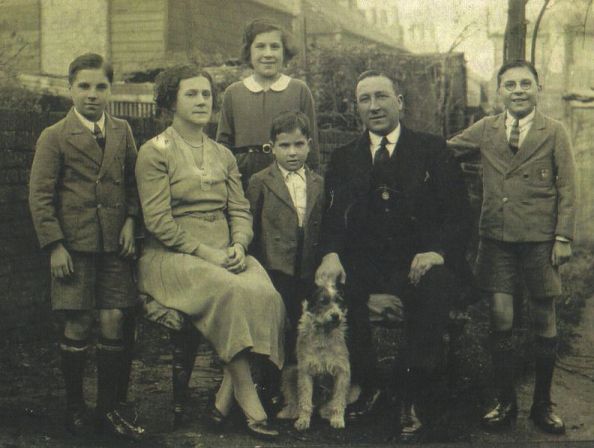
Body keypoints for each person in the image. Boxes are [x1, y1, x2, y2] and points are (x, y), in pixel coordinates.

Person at [315, 70, 471, 440]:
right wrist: (332, 253)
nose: (374, 106)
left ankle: (409, 392)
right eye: (365, 99)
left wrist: (437, 252)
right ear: (357, 108)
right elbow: (334, 217)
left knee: (434, 289)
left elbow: (460, 215)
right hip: (368, 265)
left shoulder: (432, 150)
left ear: (399, 102)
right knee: (337, 288)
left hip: (420, 262)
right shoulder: (343, 157)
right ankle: (368, 386)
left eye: (381, 96)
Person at [135, 65, 285, 439]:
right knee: (231, 292)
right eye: (191, 94)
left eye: (206, 94)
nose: (202, 100)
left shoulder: (223, 154)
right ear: (171, 101)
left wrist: (238, 245)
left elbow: (239, 210)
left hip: (224, 251)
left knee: (268, 295)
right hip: (172, 257)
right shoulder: (154, 152)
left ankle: (225, 393)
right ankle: (248, 395)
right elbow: (158, 222)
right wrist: (208, 253)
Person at [447, 60, 576, 435]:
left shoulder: (554, 131)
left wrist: (563, 238)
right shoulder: (486, 129)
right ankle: (504, 402)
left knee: (542, 317)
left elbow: (568, 187)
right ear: (499, 91)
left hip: (540, 240)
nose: (518, 90)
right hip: (497, 238)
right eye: (510, 85)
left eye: (525, 84)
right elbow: (446, 151)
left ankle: (543, 404)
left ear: (537, 89)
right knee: (501, 317)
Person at [28, 53, 144, 440]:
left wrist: (130, 220)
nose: (92, 95)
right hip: (73, 248)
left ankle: (108, 408)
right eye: (84, 86)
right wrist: (55, 245)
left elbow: (132, 183)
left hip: (114, 245)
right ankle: (75, 408)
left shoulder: (123, 130)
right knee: (77, 322)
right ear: (69, 89)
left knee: (114, 319)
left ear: (110, 90)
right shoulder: (54, 136)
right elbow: (40, 196)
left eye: (100, 87)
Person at [246, 111, 324, 365]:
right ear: (272, 147)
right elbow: (251, 227)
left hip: (309, 270)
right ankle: (271, 384)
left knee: (305, 328)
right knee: (276, 328)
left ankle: (303, 380)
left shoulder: (319, 183)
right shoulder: (260, 182)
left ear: (309, 145)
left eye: (299, 145)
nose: (292, 152)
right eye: (285, 145)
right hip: (274, 270)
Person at [217, 18, 319, 189]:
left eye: (275, 47)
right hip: (243, 179)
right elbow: (223, 145)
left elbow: (311, 146)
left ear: (284, 52)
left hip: (288, 179)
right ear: (248, 51)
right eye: (260, 46)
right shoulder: (233, 93)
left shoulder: (299, 90)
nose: (268, 54)